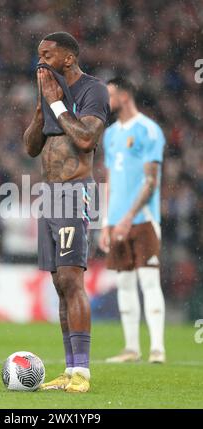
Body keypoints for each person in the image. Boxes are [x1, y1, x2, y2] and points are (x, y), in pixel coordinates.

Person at [24, 32, 109, 392]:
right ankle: (70, 370)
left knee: (73, 280)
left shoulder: (93, 91)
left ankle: (83, 374)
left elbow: (87, 139)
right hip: (50, 195)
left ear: (68, 59)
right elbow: (31, 147)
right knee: (60, 284)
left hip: (76, 193)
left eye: (47, 55)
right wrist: (43, 108)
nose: (40, 61)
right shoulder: (47, 92)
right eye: (38, 55)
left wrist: (58, 105)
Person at [99, 77, 166, 364]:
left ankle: (157, 349)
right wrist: (106, 221)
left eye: (110, 94)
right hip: (117, 221)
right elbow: (110, 180)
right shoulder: (110, 134)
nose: (107, 100)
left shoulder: (149, 130)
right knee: (124, 283)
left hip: (143, 219)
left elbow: (151, 181)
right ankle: (131, 348)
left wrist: (128, 216)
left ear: (125, 96)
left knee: (149, 281)